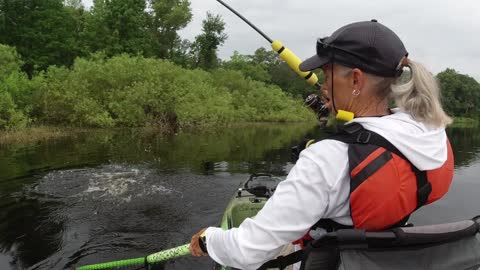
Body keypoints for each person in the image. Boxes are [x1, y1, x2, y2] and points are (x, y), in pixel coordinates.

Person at [189, 20, 454, 270]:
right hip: (385, 258)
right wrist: (339, 107)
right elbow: (375, 137)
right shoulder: (429, 131)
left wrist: (208, 240)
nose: (323, 85)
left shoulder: (326, 160)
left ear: (356, 80)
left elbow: (247, 250)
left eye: (327, 75)